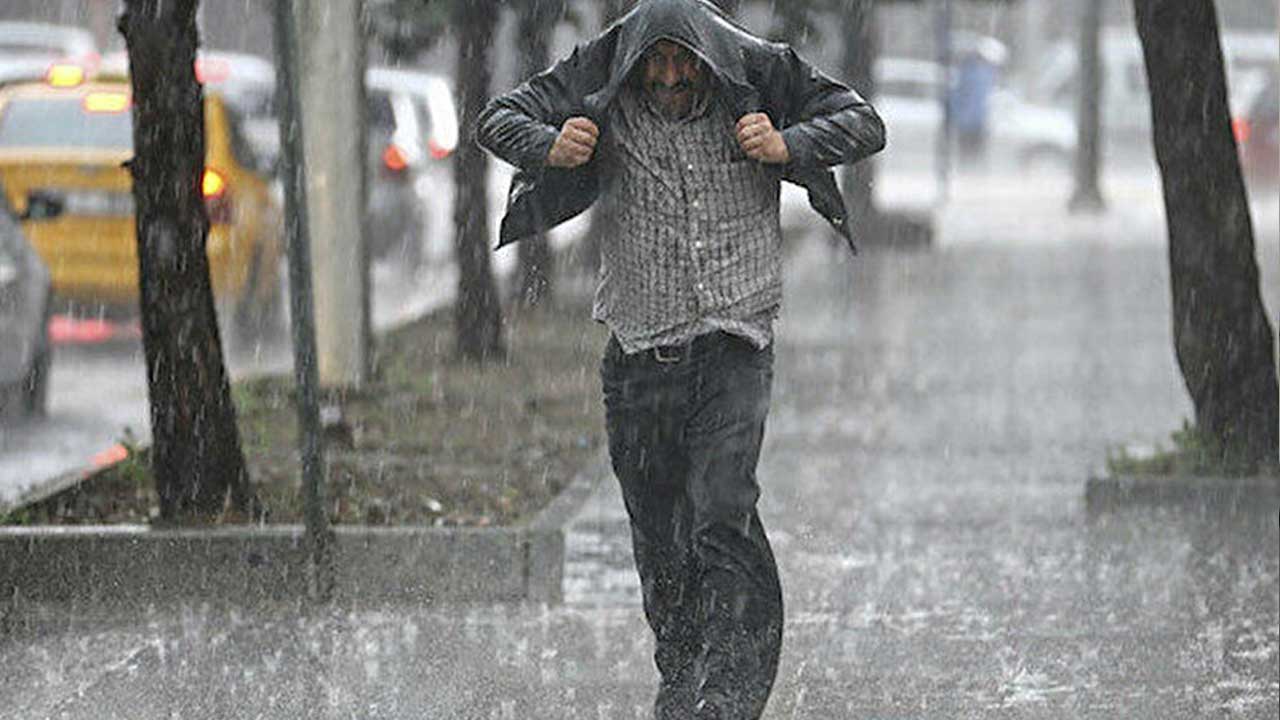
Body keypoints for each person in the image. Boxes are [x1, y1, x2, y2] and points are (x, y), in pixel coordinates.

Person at [477, 1, 884, 717]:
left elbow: (864, 124)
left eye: (681, 61)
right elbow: (497, 120)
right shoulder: (602, 70)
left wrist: (788, 143)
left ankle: (728, 689)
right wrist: (550, 145)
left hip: (734, 344)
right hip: (638, 352)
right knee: (661, 537)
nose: (668, 76)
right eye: (655, 63)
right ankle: (684, 670)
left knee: (722, 514)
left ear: (706, 57)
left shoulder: (757, 70)